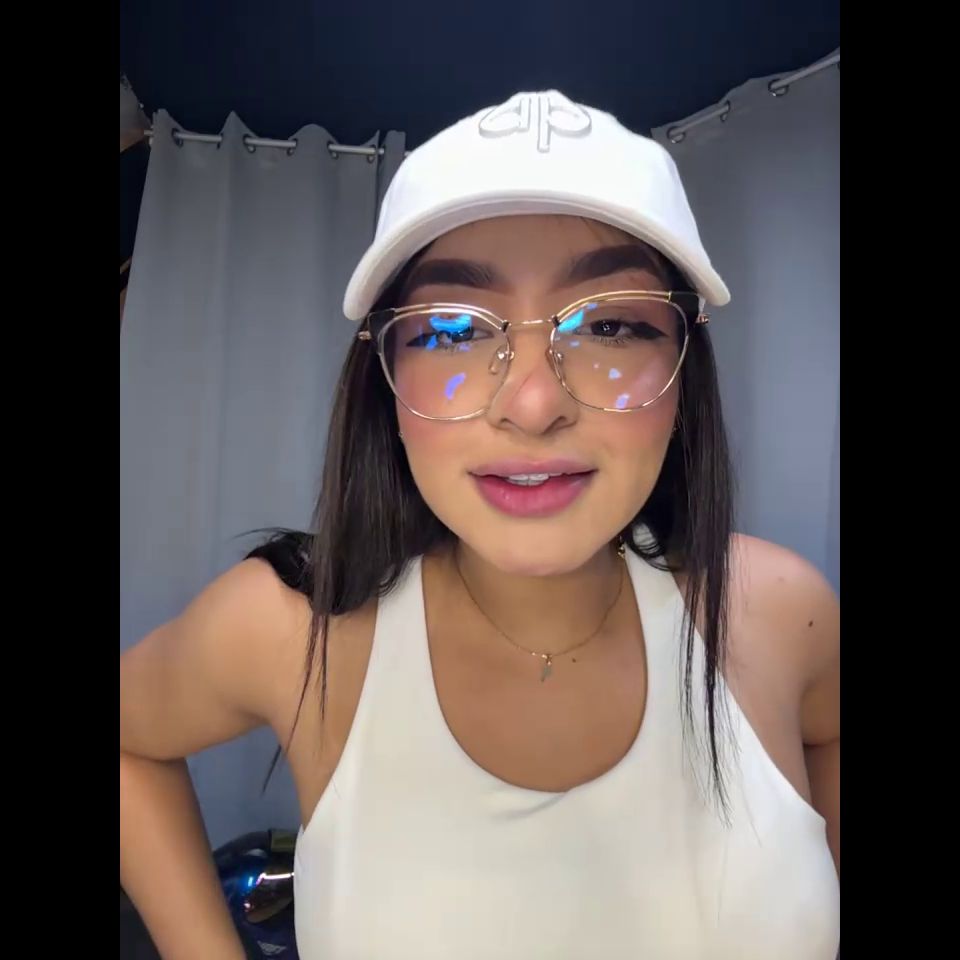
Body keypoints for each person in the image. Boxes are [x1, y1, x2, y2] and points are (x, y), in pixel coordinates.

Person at [120, 89, 840, 960]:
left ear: (686, 366)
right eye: (451, 331)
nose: (532, 405)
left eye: (611, 325)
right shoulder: (289, 628)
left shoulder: (781, 611)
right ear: (381, 380)